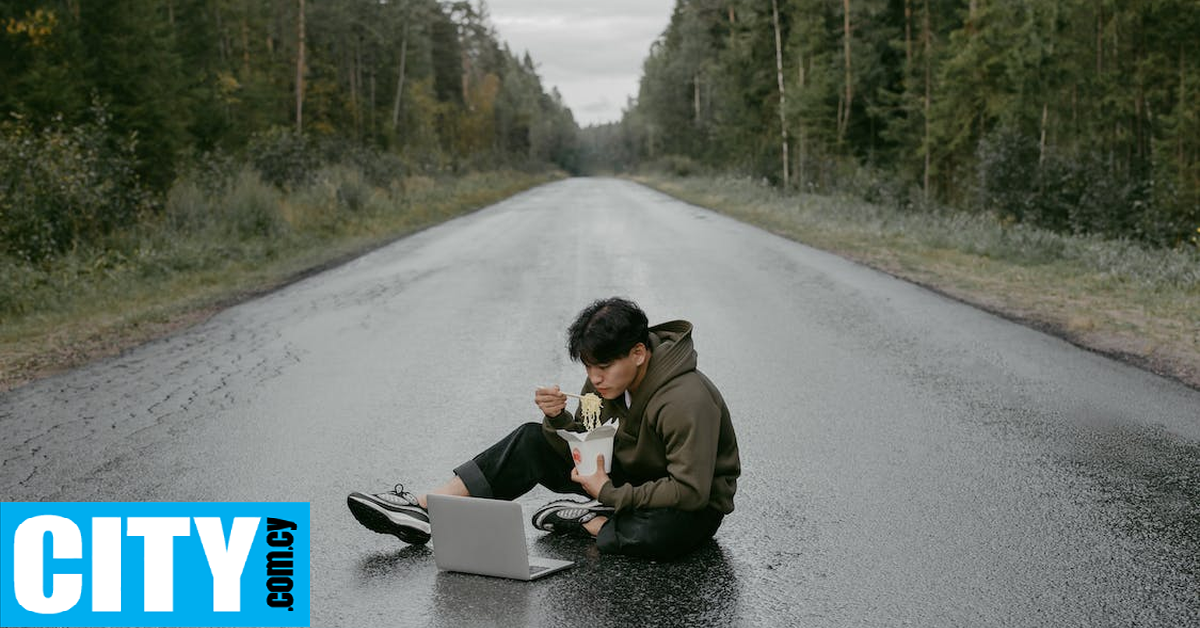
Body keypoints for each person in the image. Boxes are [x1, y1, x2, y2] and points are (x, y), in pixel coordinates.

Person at [347, 297, 741, 560]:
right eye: (588, 367)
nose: (595, 378)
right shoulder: (604, 384)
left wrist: (607, 491)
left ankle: (590, 519)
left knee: (662, 538)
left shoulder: (685, 399)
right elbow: (586, 439)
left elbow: (690, 492)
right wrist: (556, 419)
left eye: (603, 367)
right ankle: (425, 508)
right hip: (623, 479)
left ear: (639, 353)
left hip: (690, 504)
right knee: (531, 439)